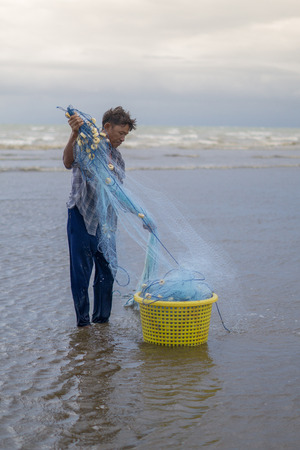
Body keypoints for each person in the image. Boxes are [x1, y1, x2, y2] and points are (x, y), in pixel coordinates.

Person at [63, 106, 137, 327]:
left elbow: (119, 194)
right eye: (121, 133)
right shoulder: (88, 144)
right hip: (82, 215)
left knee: (107, 272)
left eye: (126, 135)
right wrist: (74, 133)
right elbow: (68, 162)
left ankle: (102, 321)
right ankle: (83, 324)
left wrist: (142, 216)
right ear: (106, 127)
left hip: (106, 224)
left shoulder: (118, 158)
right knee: (81, 274)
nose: (123, 138)